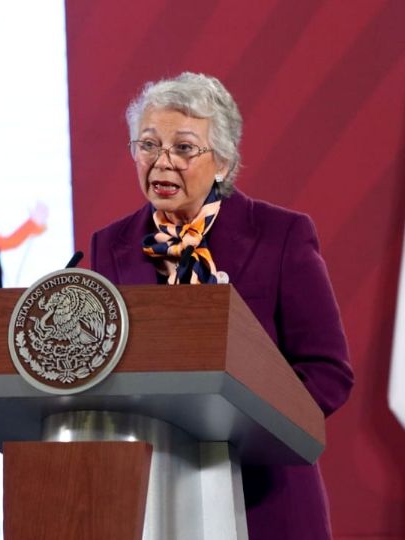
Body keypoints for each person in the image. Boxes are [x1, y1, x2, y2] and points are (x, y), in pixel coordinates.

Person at [90, 72, 355, 540]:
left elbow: (327, 371)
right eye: (148, 145)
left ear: (223, 163)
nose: (162, 162)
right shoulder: (110, 244)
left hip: (265, 495)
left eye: (184, 148)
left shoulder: (280, 236)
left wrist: (244, 426)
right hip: (148, 497)